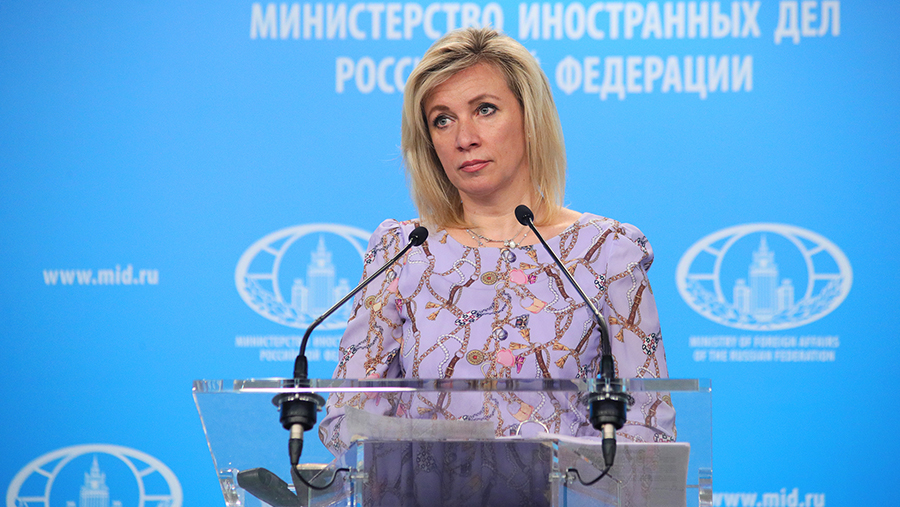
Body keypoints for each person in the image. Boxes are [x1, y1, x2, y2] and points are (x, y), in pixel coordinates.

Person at [318, 27, 674, 457]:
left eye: (485, 110)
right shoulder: (402, 250)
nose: (464, 138)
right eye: (442, 119)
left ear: (530, 118)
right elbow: (345, 419)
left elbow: (649, 428)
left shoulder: (606, 252)